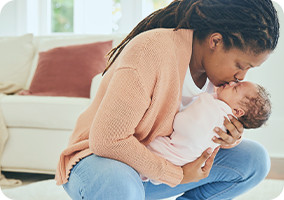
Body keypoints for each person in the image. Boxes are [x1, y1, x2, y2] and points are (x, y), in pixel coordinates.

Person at [55, 0, 280, 199]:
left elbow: (199, 135)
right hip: (104, 162)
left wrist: (230, 138)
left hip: (156, 173)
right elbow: (107, 140)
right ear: (216, 41)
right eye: (241, 66)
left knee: (255, 159)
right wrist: (176, 175)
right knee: (119, 184)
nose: (240, 77)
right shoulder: (150, 50)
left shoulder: (220, 82)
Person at [142, 81, 271, 184]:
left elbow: (182, 123)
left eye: (235, 87)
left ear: (237, 112)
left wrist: (235, 139)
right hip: (174, 165)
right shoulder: (219, 108)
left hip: (165, 156)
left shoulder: (213, 109)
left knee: (257, 157)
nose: (231, 82)